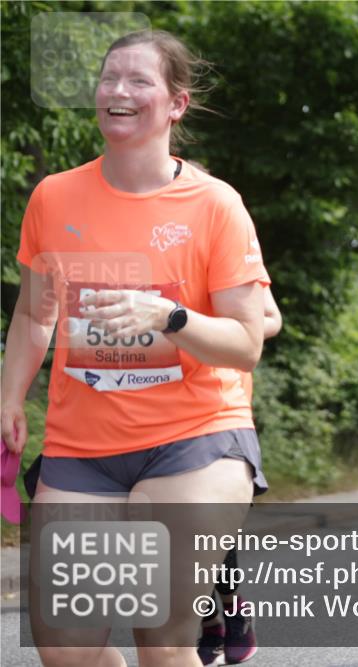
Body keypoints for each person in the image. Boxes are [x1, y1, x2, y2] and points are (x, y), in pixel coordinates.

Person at [1, 30, 269, 667]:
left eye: (138, 81)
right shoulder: (53, 197)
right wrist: (10, 398)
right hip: (82, 446)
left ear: (175, 103)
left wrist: (170, 316)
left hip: (195, 437)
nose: (117, 92)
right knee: (65, 650)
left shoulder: (215, 205)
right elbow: (35, 317)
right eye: (108, 79)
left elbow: (246, 343)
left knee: (161, 625)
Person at [198, 283, 282, 666]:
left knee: (210, 520)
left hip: (217, 404)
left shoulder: (226, 238)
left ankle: (229, 610)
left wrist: (201, 329)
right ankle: (208, 618)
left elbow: (270, 319)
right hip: (144, 407)